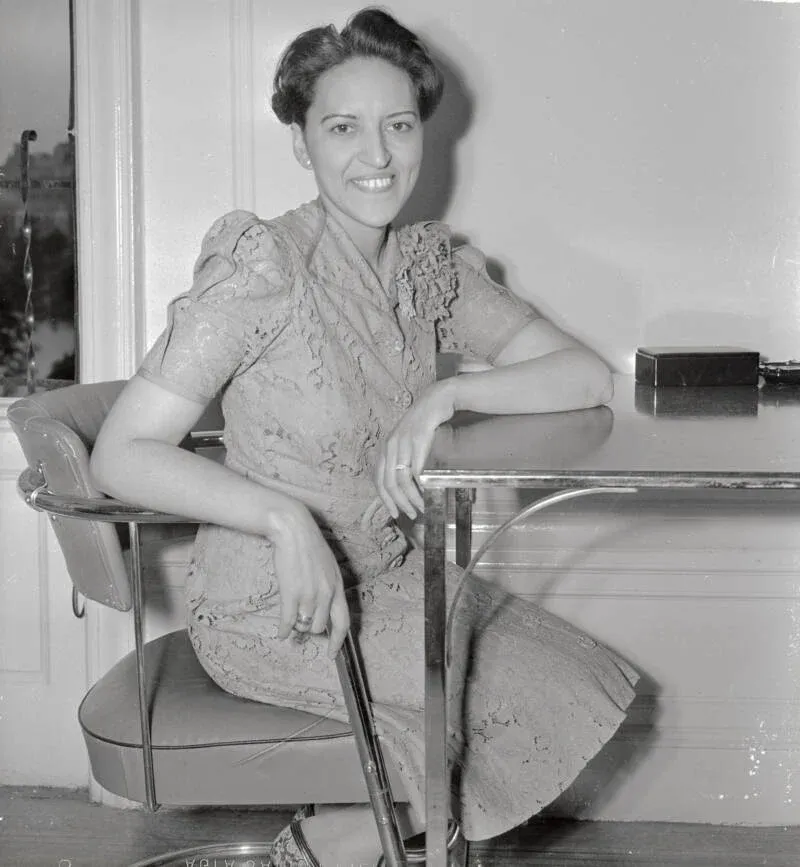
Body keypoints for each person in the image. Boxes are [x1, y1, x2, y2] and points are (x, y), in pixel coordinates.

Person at [90, 7, 638, 866]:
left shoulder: (428, 267)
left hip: (391, 579)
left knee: (558, 678)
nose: (375, 156)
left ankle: (317, 850)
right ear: (303, 144)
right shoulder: (264, 266)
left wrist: (450, 394)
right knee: (450, 723)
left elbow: (584, 375)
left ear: (424, 132)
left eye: (398, 125)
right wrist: (281, 517)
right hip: (271, 603)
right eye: (342, 128)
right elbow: (121, 452)